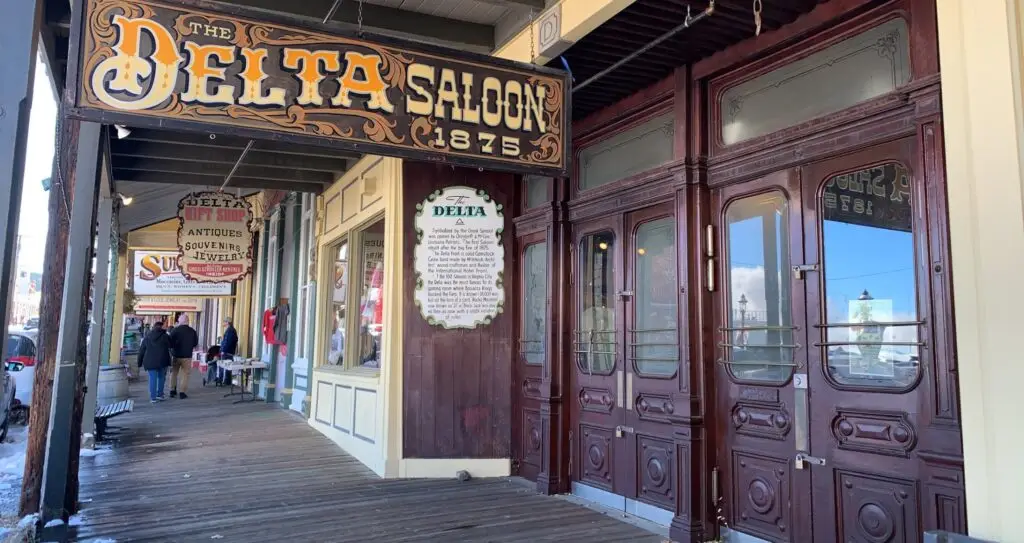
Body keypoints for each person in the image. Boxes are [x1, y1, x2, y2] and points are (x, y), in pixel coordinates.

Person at [137, 321, 171, 403]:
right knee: (161, 378)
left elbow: (142, 350)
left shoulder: (147, 336)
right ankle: (160, 395)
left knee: (152, 378)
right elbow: (171, 345)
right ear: (161, 327)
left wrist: (139, 362)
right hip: (163, 360)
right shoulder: (165, 336)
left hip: (150, 361)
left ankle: (153, 397)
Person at [168, 314, 199, 399]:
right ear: (187, 321)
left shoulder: (175, 330)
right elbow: (195, 343)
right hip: (187, 356)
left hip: (176, 355)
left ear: (180, 321)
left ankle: (172, 390)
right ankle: (182, 392)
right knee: (185, 374)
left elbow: (170, 343)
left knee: (174, 373)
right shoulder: (192, 331)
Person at [217, 317, 238, 386]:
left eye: (224, 322)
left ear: (227, 323)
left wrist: (223, 350)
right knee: (227, 366)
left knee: (224, 366)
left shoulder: (230, 331)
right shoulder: (231, 330)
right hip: (229, 351)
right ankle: (226, 380)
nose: (223, 323)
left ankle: (223, 380)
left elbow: (227, 342)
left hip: (227, 352)